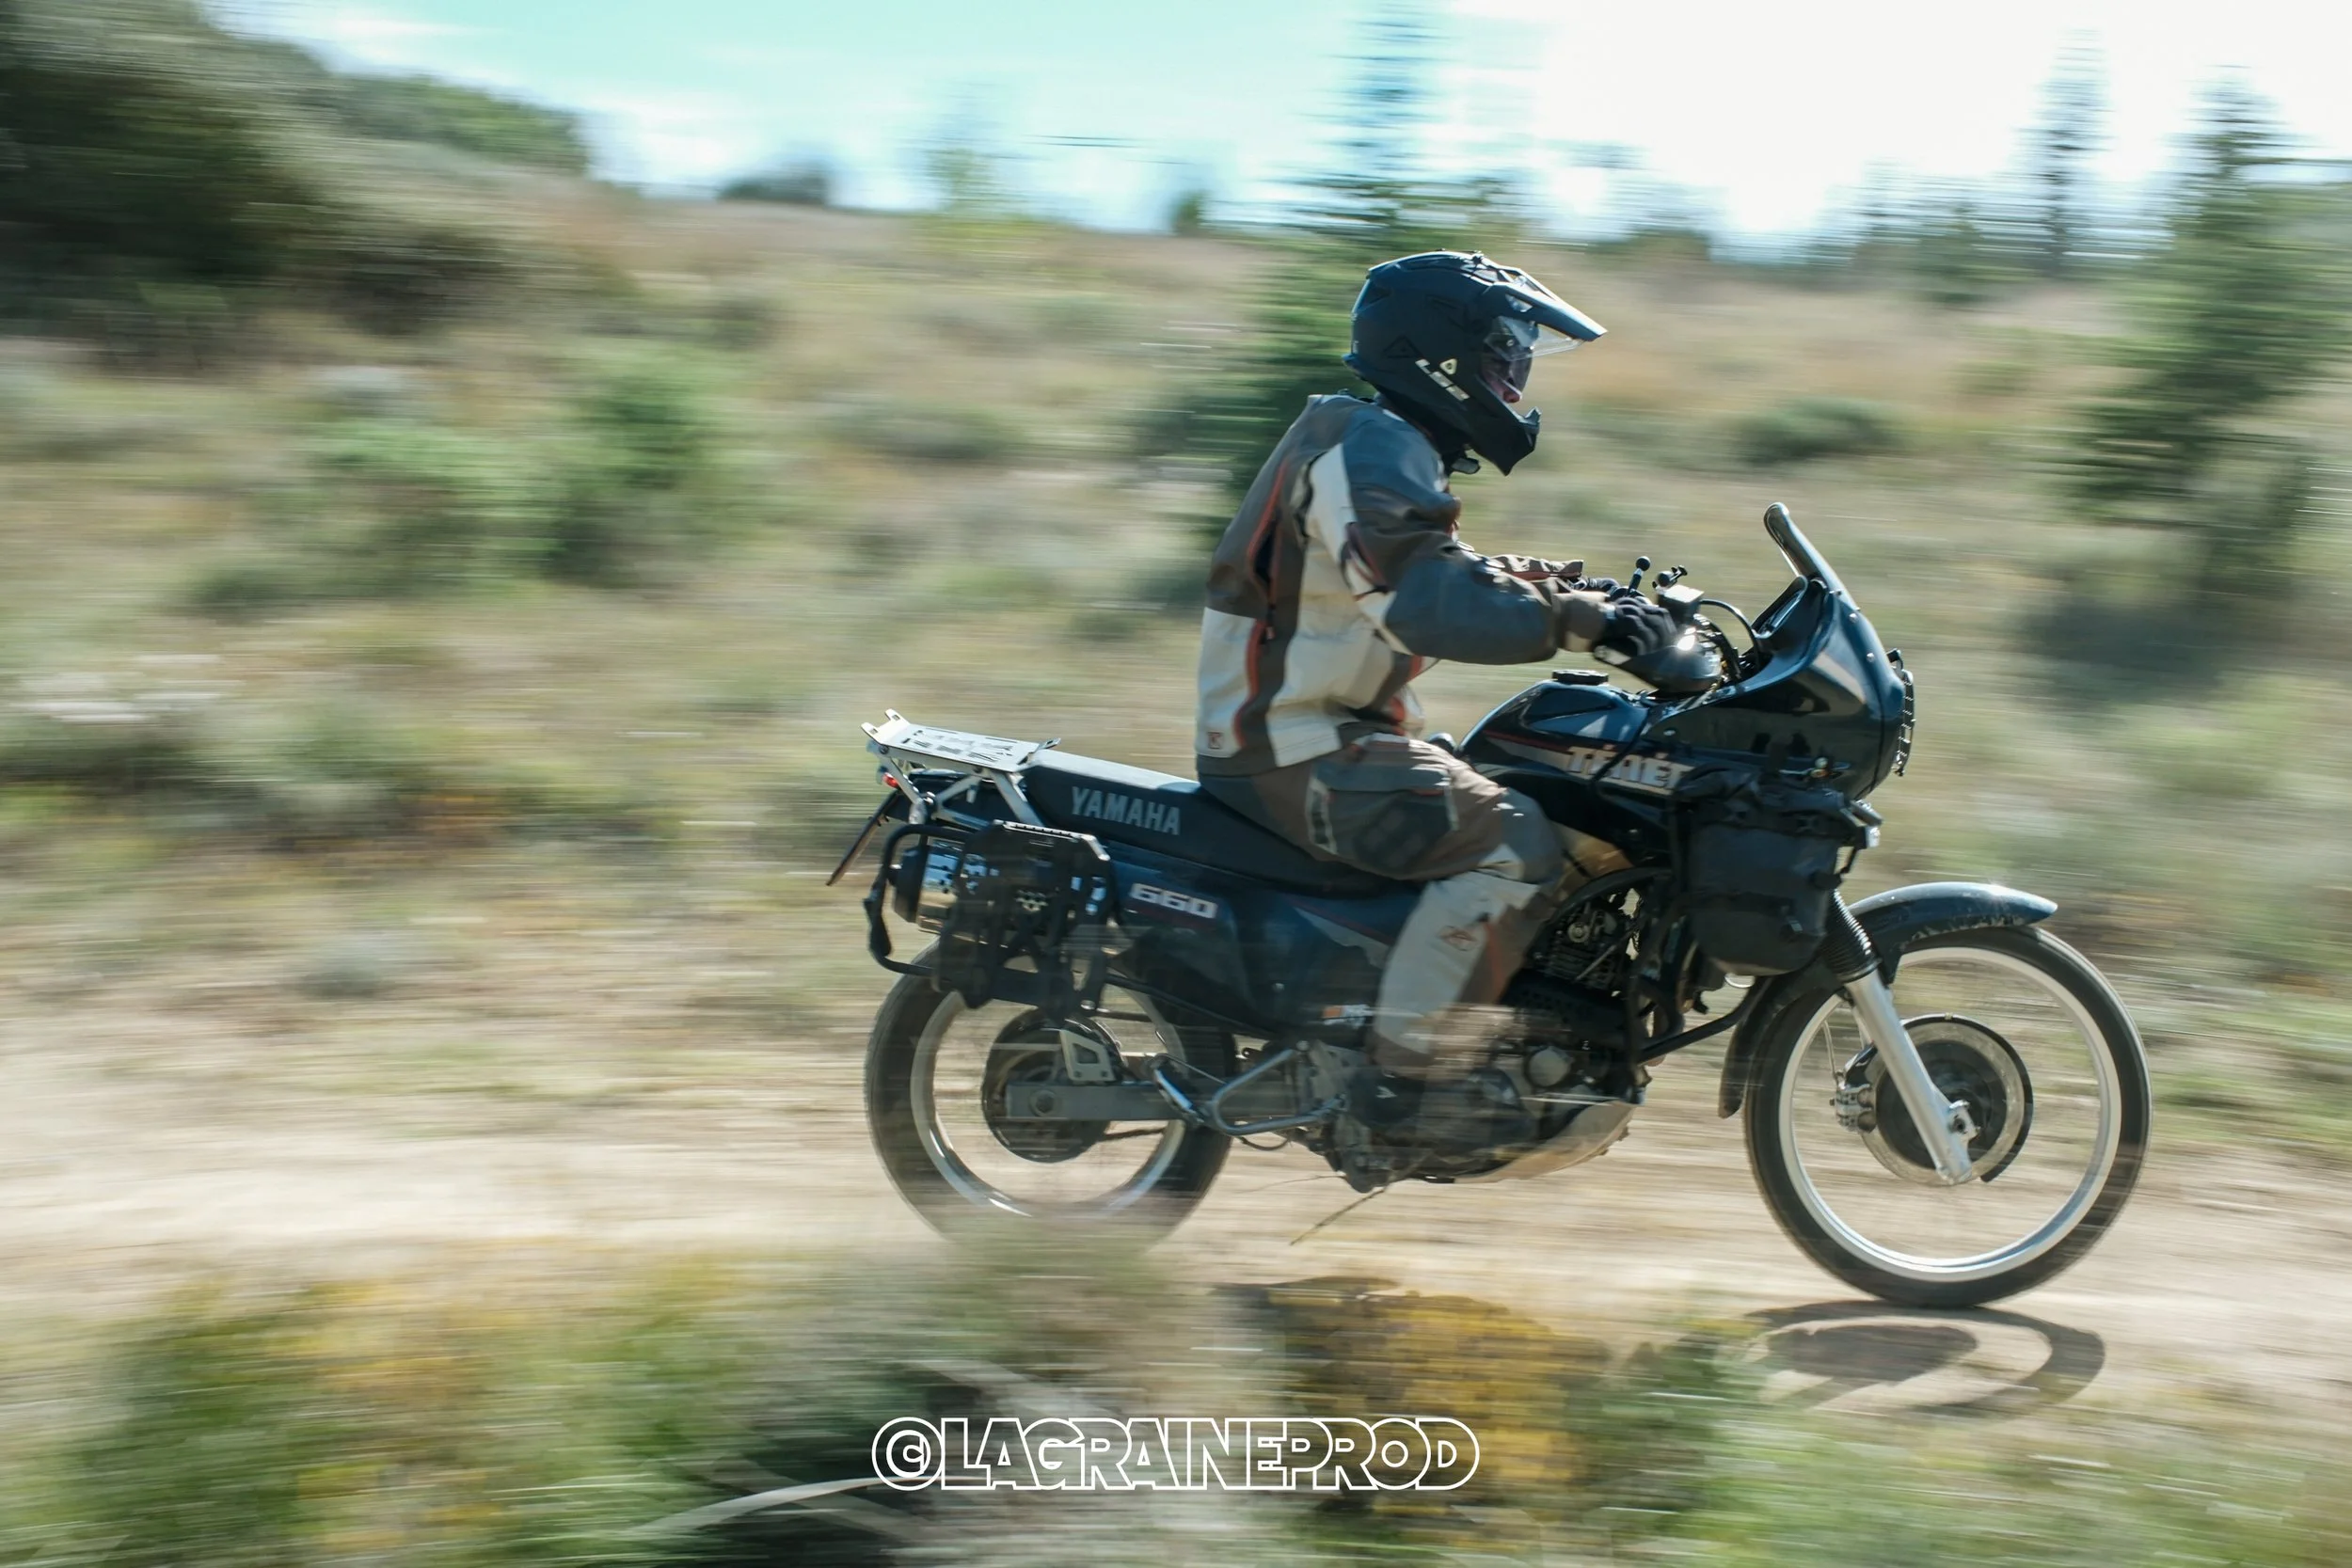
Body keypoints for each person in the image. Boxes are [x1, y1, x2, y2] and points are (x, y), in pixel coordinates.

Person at [1192, 250, 1675, 1138]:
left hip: (1317, 732)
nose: (1515, 379)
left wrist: (1575, 593)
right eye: (1500, 356)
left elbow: (1421, 566)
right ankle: (1403, 1079)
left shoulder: (1379, 443)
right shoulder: (1369, 447)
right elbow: (1422, 600)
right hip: (1297, 748)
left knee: (1526, 785)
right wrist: (1578, 623)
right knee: (1519, 846)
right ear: (1439, 357)